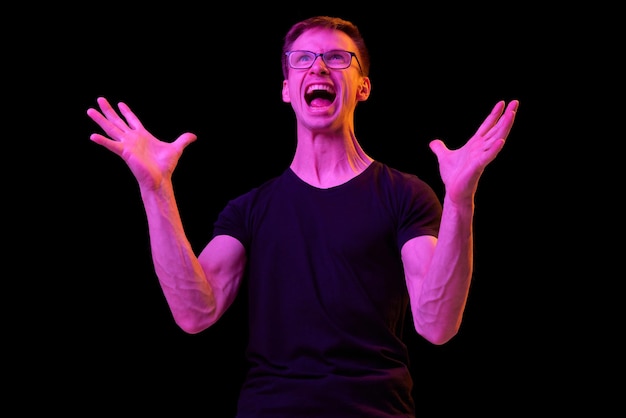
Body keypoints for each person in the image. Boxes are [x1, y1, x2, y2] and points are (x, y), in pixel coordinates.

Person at [87, 15, 519, 418]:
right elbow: (195, 312)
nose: (318, 68)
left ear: (363, 86)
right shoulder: (250, 209)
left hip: (376, 410)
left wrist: (461, 200)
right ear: (286, 88)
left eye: (336, 57)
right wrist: (156, 189)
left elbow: (437, 325)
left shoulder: (405, 195)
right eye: (302, 59)